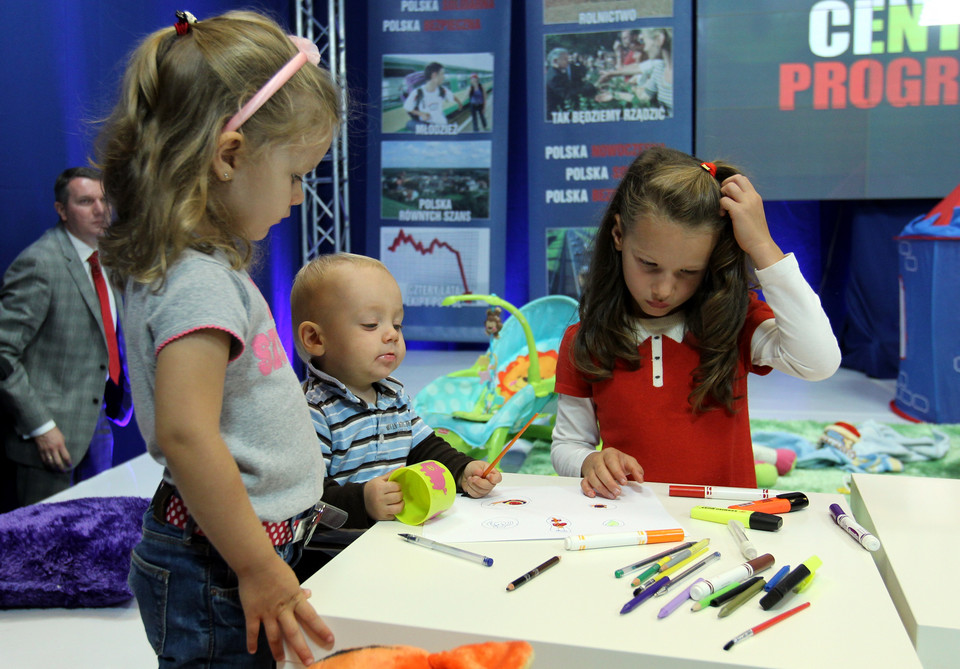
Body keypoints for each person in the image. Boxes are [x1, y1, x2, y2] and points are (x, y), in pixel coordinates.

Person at [95, 11, 340, 667]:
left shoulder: (198, 269)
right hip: (221, 567)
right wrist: (257, 565)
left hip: (231, 554)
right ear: (230, 156)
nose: (296, 197)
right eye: (294, 175)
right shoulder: (198, 283)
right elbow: (187, 432)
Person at [551, 146, 841, 499]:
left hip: (727, 524)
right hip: (633, 525)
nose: (663, 289)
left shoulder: (734, 320)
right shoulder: (585, 340)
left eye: (688, 272)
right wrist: (589, 461)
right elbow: (567, 445)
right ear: (618, 235)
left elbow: (819, 363)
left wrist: (763, 246)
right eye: (648, 264)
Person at [289, 253, 502, 572]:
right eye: (371, 324)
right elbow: (306, 501)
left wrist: (463, 470)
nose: (391, 334)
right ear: (315, 338)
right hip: (333, 562)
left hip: (395, 546)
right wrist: (365, 501)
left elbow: (424, 448)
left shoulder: (393, 395)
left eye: (397, 324)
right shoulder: (312, 411)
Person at [0, 166, 132, 510]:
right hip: (48, 443)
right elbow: (3, 353)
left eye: (104, 199)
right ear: (62, 210)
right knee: (43, 549)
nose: (101, 210)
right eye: (86, 201)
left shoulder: (107, 260)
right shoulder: (39, 263)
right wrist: (41, 426)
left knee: (95, 537)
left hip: (97, 427)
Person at [597, 28, 673, 115]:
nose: (645, 48)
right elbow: (643, 98)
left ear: (659, 39)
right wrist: (614, 95)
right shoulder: (659, 69)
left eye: (644, 41)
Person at [402, 61, 462, 130]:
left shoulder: (442, 90)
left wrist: (459, 102)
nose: (444, 77)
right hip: (427, 127)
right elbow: (407, 107)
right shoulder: (418, 92)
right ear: (434, 75)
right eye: (442, 74)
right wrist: (421, 114)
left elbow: (452, 96)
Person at [545, 47, 596, 118]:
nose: (568, 61)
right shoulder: (554, 76)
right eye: (565, 59)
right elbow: (568, 94)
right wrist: (589, 88)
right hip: (555, 115)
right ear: (555, 61)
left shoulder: (558, 73)